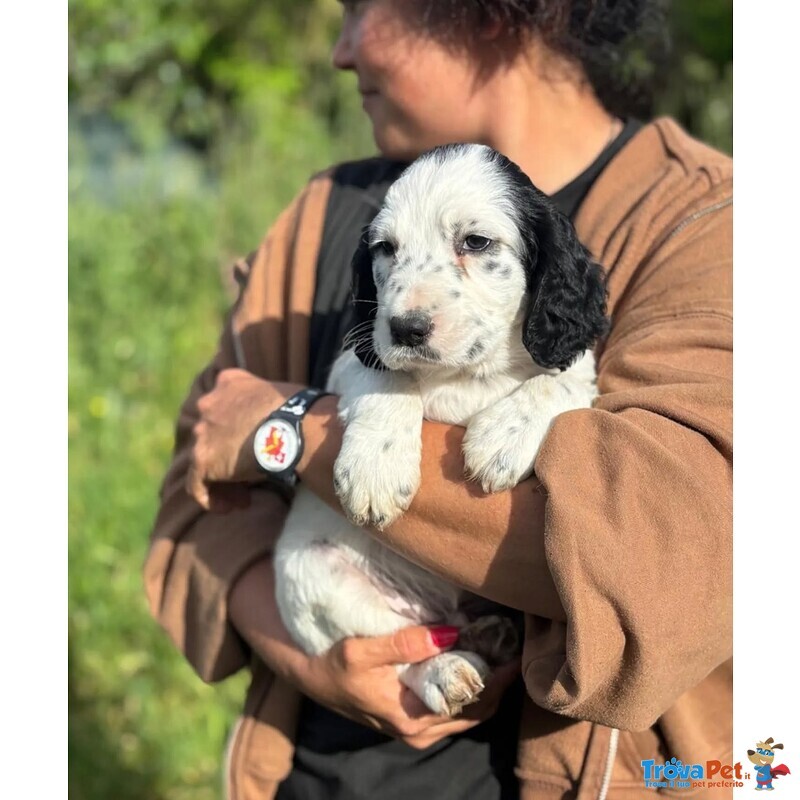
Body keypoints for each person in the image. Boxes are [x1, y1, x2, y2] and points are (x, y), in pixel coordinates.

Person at [144, 1, 733, 798]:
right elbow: (195, 502)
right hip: (313, 769)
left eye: (359, 10)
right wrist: (312, 660)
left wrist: (289, 430)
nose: (338, 54)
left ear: (489, 14)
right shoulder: (326, 213)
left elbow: (668, 563)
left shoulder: (709, 225)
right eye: (390, 256)